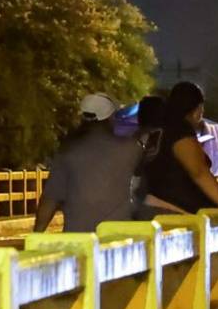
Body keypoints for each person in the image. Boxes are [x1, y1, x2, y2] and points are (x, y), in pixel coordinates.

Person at [32, 93, 146, 233]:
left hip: (78, 239)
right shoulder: (132, 148)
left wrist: (37, 234)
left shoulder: (68, 152)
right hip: (118, 238)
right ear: (110, 117)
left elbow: (50, 199)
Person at [138, 81, 218, 216]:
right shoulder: (179, 130)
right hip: (176, 207)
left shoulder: (158, 129)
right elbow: (199, 173)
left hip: (155, 201)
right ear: (198, 111)